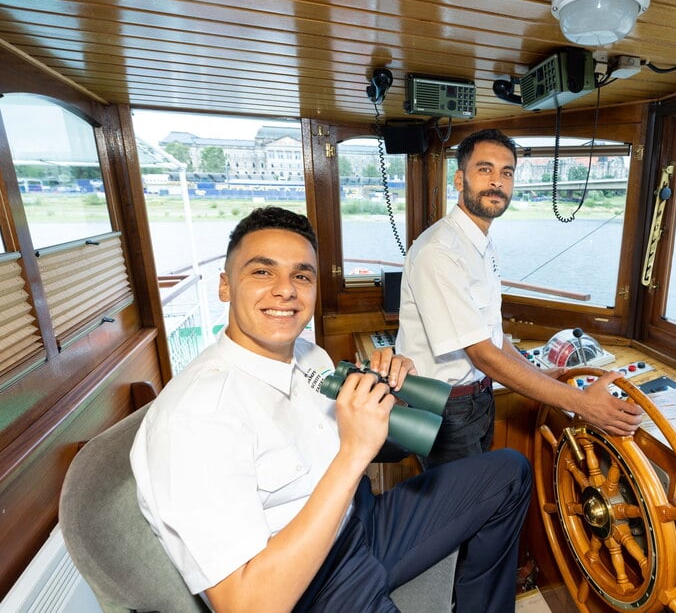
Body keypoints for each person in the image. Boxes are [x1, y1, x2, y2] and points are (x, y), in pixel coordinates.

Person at [130, 206, 531, 612]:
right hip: (311, 584)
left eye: (301, 275)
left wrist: (389, 399)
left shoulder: (310, 356)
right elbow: (246, 605)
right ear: (225, 286)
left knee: (509, 472)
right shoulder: (195, 417)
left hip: (364, 521)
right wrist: (352, 453)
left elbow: (375, 448)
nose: (286, 290)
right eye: (262, 272)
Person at [396, 128, 645, 468]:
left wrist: (543, 376)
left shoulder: (479, 244)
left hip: (478, 398)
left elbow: (493, 338)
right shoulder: (440, 251)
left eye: (506, 172)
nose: (496, 181)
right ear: (458, 179)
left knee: (473, 506)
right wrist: (583, 404)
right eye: (485, 169)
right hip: (445, 409)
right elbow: (483, 355)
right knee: (459, 516)